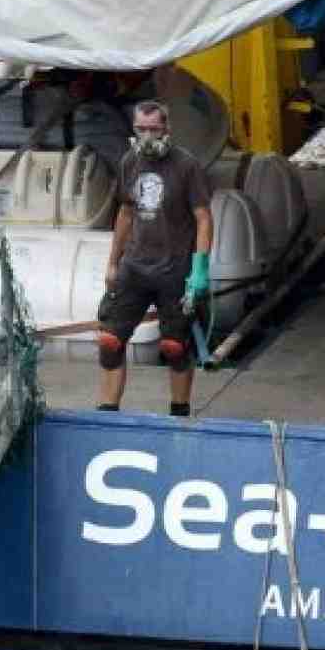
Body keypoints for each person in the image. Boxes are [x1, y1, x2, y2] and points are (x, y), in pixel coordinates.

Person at [98, 99, 213, 416]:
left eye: (154, 129)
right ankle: (107, 414)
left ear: (167, 129)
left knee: (175, 347)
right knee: (110, 341)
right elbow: (125, 211)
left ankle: (178, 415)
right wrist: (113, 261)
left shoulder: (186, 166)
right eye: (141, 129)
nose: (147, 136)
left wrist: (200, 268)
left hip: (175, 270)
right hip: (134, 267)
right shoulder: (129, 162)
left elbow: (203, 217)